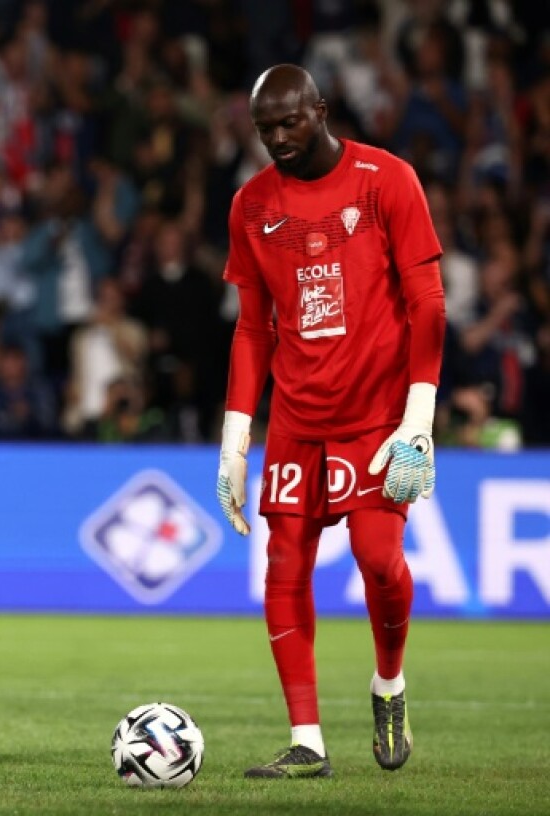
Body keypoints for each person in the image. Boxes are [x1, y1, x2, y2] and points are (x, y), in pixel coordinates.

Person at [216, 65, 446, 779]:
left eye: (291, 123)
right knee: (284, 567)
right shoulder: (251, 206)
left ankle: (389, 684)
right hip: (296, 419)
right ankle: (307, 740)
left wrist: (420, 416)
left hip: (377, 416)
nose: (278, 139)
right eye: (265, 130)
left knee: (379, 559)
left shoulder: (387, 181)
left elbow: (428, 303)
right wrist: (234, 436)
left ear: (321, 109)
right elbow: (253, 328)